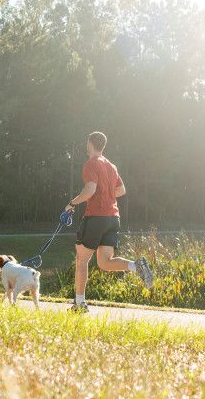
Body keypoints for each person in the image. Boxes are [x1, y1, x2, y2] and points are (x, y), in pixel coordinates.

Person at [65, 131, 153, 312]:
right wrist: (106, 195)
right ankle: (136, 266)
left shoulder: (91, 164)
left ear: (90, 144)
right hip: (113, 218)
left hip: (96, 217)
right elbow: (121, 190)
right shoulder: (111, 166)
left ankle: (80, 304)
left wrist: (72, 203)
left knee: (82, 260)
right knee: (104, 262)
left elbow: (89, 190)